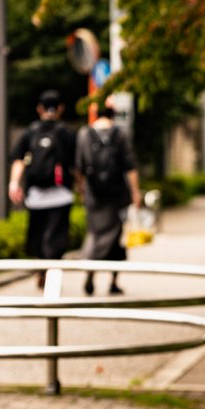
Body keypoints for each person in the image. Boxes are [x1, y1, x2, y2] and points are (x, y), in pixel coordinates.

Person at [8, 90, 77, 281]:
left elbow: (18, 159)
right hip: (61, 194)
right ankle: (52, 270)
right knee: (57, 235)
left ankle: (41, 267)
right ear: (61, 108)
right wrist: (82, 187)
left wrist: (14, 183)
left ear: (39, 108)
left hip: (35, 194)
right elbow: (76, 165)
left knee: (38, 233)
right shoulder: (67, 133)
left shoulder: (30, 131)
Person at [75, 104, 142, 296]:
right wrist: (135, 193)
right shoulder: (120, 134)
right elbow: (129, 165)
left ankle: (89, 274)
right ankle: (113, 282)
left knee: (94, 235)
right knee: (115, 238)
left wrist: (82, 191)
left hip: (94, 195)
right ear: (113, 115)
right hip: (117, 195)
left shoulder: (84, 134)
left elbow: (79, 167)